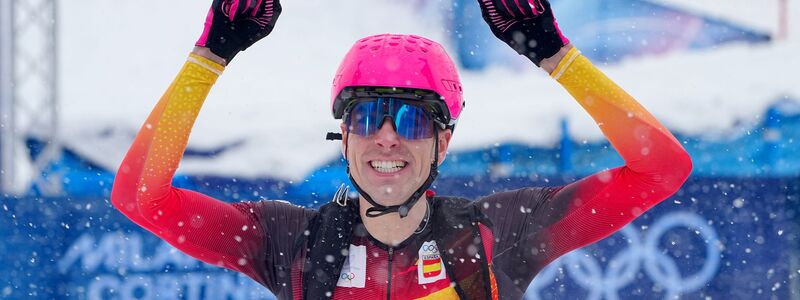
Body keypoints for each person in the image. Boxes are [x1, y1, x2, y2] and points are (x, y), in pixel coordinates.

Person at [111, 0, 692, 298]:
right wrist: (209, 55)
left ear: (445, 140)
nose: (387, 137)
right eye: (367, 116)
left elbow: (661, 169)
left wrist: (554, 54)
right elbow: (139, 197)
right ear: (345, 134)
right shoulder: (292, 243)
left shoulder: (498, 235)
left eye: (412, 121)